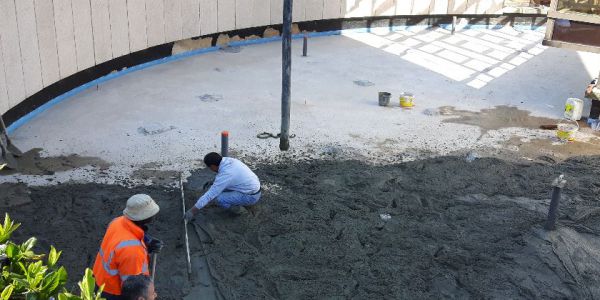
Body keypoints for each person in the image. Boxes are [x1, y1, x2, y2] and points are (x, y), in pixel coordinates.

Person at [93, 194, 163, 300]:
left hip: (100, 280)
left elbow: (126, 236)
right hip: (113, 292)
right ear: (144, 217)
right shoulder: (132, 252)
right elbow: (132, 289)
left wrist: (147, 241)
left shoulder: (117, 222)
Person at [185, 152, 261, 221]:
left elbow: (210, 195)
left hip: (250, 196)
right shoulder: (228, 160)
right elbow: (223, 176)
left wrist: (192, 211)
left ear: (212, 166)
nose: (210, 169)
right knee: (219, 189)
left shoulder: (226, 174)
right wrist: (213, 182)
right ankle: (236, 200)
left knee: (218, 198)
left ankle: (239, 210)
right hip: (251, 187)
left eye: (210, 167)